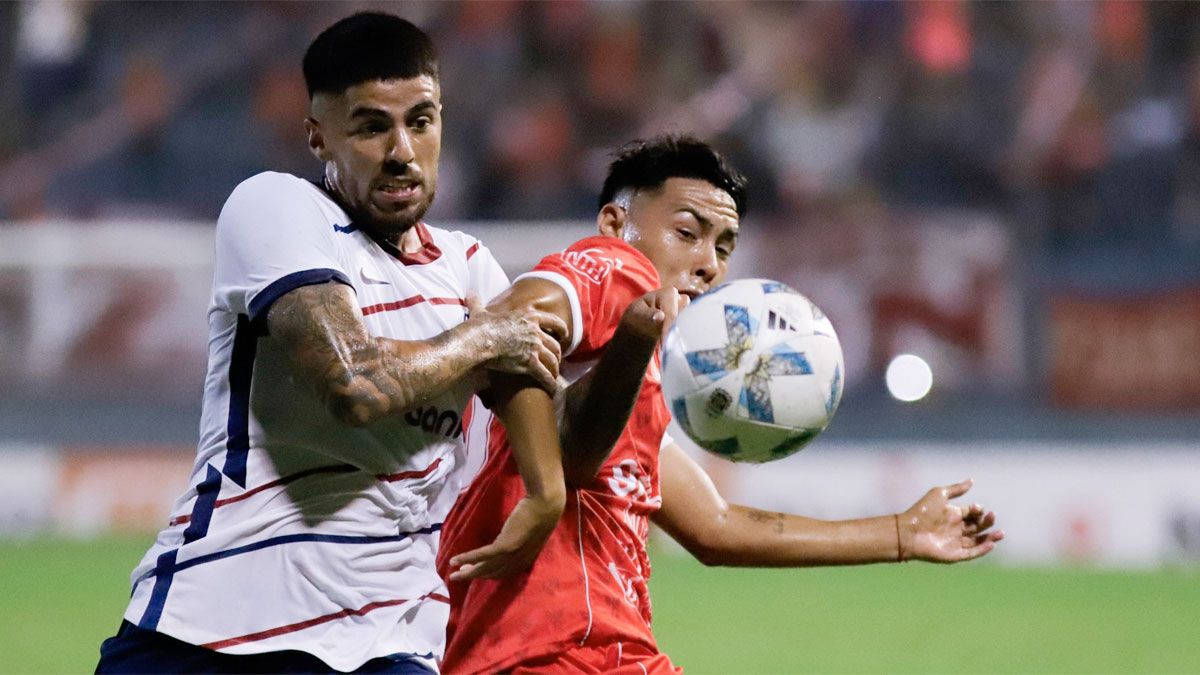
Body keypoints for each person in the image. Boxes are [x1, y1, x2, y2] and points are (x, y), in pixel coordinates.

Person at [96, 13, 569, 674]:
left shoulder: (469, 270)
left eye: (421, 121)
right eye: (372, 127)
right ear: (318, 135)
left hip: (387, 643)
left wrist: (637, 334)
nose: (402, 150)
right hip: (209, 628)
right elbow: (354, 383)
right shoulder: (276, 208)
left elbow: (563, 435)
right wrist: (483, 337)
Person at [436, 135, 1005, 673]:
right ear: (614, 224)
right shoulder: (618, 267)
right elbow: (514, 321)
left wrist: (901, 533)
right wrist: (546, 490)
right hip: (561, 651)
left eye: (723, 247)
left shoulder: (628, 381)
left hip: (557, 651)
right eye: (687, 232)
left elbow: (714, 525)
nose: (708, 262)